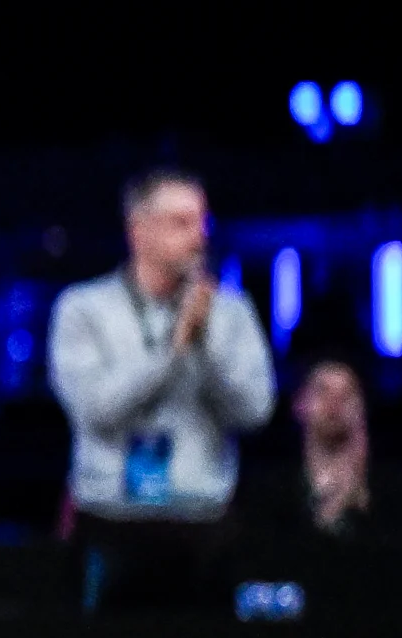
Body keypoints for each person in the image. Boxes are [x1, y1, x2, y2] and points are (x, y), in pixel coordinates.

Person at [51, 169, 273, 611]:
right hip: (111, 524)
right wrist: (171, 352)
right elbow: (97, 411)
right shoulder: (83, 309)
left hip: (205, 525)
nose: (198, 237)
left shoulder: (231, 313)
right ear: (138, 231)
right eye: (180, 223)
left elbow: (255, 412)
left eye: (201, 222)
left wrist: (205, 346)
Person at [238, 356, 402, 543]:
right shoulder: (269, 490)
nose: (335, 403)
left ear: (363, 407)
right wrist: (330, 512)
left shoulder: (397, 491)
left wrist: (360, 503)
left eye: (348, 394)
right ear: (299, 404)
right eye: (322, 391)